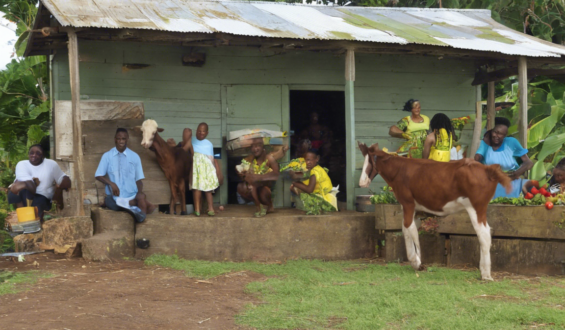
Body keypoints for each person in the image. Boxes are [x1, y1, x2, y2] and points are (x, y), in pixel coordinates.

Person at [95, 128, 156, 223]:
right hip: (116, 198)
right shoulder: (107, 156)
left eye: (123, 139)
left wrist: (139, 193)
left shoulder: (134, 157)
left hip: (132, 195)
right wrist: (111, 184)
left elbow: (139, 180)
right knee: (112, 202)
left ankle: (139, 210)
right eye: (118, 139)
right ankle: (141, 207)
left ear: (127, 139)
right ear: (115, 139)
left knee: (140, 196)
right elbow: (98, 175)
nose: (121, 141)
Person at [8, 144, 71, 223]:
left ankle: (38, 224)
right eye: (32, 153)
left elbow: (63, 178)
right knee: (14, 193)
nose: (34, 155)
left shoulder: (50, 164)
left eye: (38, 153)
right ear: (28, 154)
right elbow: (31, 188)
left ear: (43, 156)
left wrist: (62, 186)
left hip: (43, 196)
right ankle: (24, 220)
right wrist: (24, 185)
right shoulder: (22, 164)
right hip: (27, 193)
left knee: (37, 210)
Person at [474, 117, 534, 199]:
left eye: (501, 134)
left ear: (505, 135)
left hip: (511, 182)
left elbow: (529, 163)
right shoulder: (486, 143)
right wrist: (485, 142)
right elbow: (477, 159)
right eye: (495, 132)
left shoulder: (511, 142)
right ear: (491, 131)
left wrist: (517, 173)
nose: (496, 136)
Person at [179, 123, 220, 217]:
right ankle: (197, 210)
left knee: (208, 188)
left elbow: (211, 158)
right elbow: (183, 150)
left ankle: (211, 208)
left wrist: (215, 171)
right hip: (196, 167)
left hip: (207, 168)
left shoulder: (209, 144)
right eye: (199, 131)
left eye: (203, 131)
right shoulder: (191, 141)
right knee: (196, 187)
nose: (201, 133)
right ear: (196, 131)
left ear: (207, 133)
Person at [236, 138, 280, 217]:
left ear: (262, 146)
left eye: (257, 146)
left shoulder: (269, 158)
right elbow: (243, 173)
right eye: (252, 147)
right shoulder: (250, 159)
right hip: (253, 189)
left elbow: (276, 175)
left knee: (262, 190)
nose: (255, 149)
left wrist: (258, 177)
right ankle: (258, 206)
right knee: (241, 186)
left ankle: (269, 205)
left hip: (266, 190)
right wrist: (242, 174)